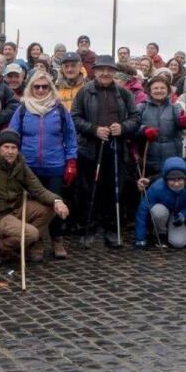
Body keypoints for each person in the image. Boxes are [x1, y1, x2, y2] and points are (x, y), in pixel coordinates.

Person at [7, 69, 78, 259]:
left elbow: (70, 137)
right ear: (30, 88)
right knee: (33, 208)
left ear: (50, 88)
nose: (40, 90)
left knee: (55, 204)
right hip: (28, 167)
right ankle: (36, 241)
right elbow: (13, 136)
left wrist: (71, 161)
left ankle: (57, 239)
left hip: (54, 165)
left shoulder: (60, 109)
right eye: (36, 86)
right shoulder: (22, 109)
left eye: (44, 86)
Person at [0, 130, 69, 264]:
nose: (10, 151)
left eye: (14, 148)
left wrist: (57, 201)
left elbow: (38, 189)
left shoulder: (20, 164)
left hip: (16, 209)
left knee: (49, 208)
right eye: (6, 147)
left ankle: (24, 244)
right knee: (32, 233)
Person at [72, 55, 140, 246]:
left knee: (114, 189)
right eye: (101, 69)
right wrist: (94, 129)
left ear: (114, 72)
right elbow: (75, 118)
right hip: (89, 149)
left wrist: (123, 127)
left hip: (116, 148)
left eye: (109, 70)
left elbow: (135, 117)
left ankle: (112, 229)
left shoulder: (123, 93)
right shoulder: (84, 92)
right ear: (94, 71)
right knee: (88, 190)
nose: (105, 73)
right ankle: (88, 229)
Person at [133, 157, 186, 249]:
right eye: (172, 179)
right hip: (162, 213)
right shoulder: (156, 188)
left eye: (179, 179)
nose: (176, 183)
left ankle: (172, 232)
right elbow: (142, 211)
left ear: (185, 178)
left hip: (177, 218)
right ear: (166, 179)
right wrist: (140, 239)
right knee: (158, 211)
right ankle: (160, 233)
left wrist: (185, 214)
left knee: (179, 243)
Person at [135, 75, 186, 182]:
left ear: (168, 90)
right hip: (149, 159)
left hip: (172, 158)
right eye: (155, 88)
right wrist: (144, 130)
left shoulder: (175, 107)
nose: (159, 91)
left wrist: (185, 120)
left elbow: (185, 123)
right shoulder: (141, 107)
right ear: (149, 90)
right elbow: (133, 127)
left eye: (162, 88)